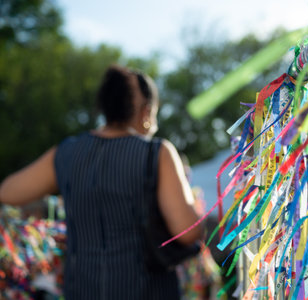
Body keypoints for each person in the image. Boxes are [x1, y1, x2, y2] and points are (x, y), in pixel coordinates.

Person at [0, 65, 203, 299]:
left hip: (82, 289)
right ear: (146, 113)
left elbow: (8, 192)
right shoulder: (157, 153)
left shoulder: (66, 153)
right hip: (145, 290)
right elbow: (187, 232)